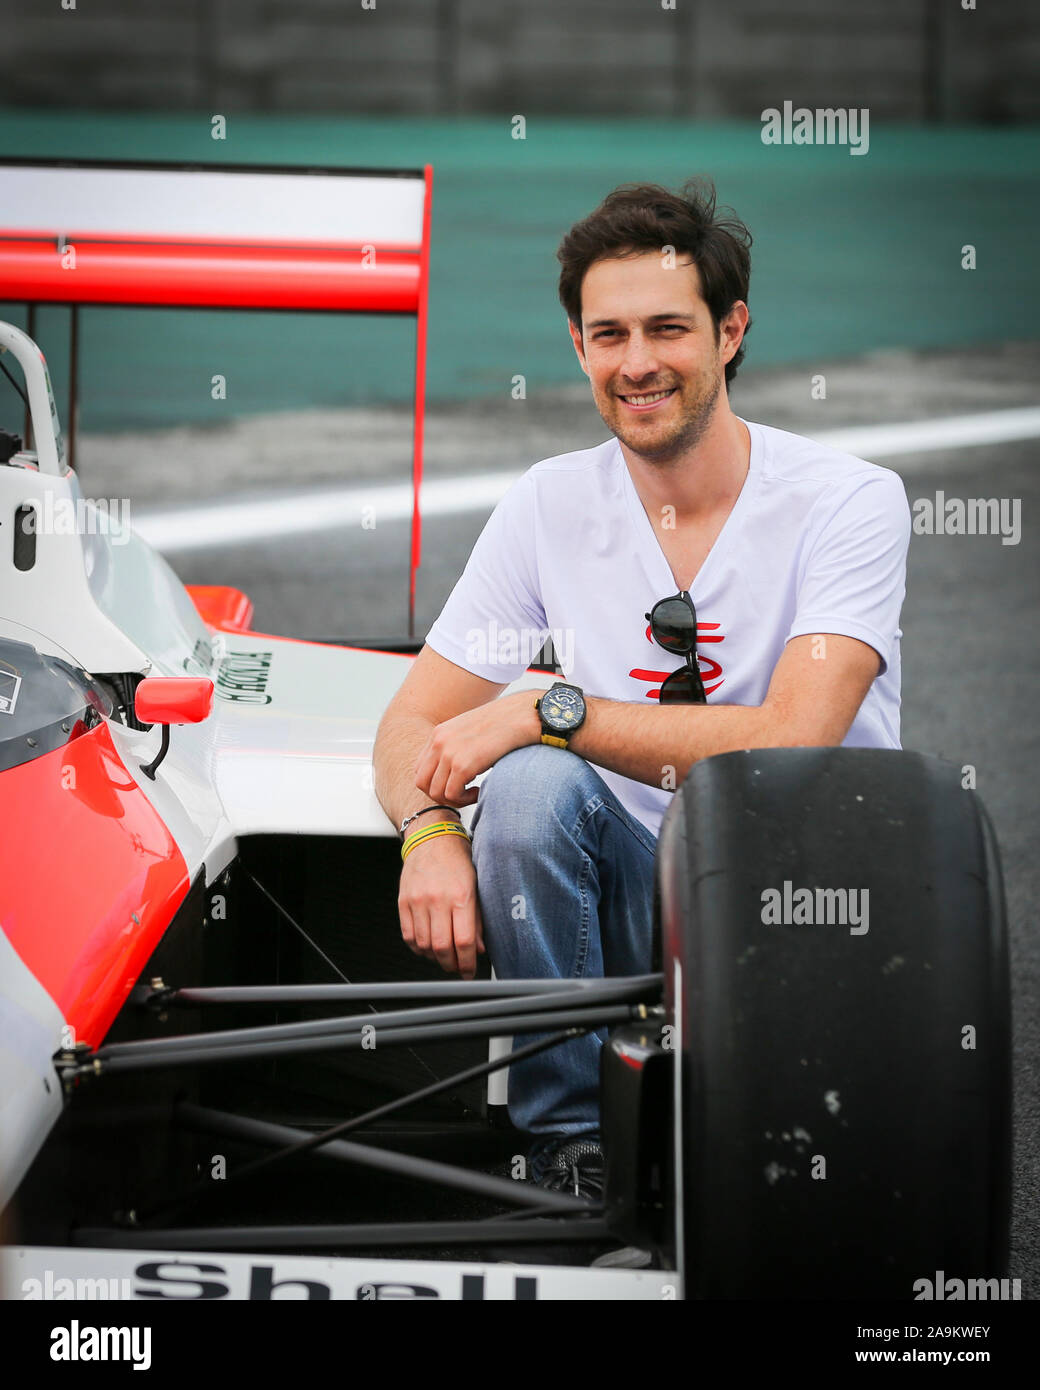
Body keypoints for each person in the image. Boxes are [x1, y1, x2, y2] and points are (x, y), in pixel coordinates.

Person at [372, 177, 910, 1204]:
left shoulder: (849, 501)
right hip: (617, 894)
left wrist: (548, 707)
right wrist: (430, 833)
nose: (636, 363)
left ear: (729, 330)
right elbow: (409, 721)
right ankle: (571, 1149)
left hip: (796, 895)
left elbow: (792, 743)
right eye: (606, 334)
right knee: (524, 796)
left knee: (536, 743)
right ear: (576, 347)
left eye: (667, 328)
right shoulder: (546, 501)